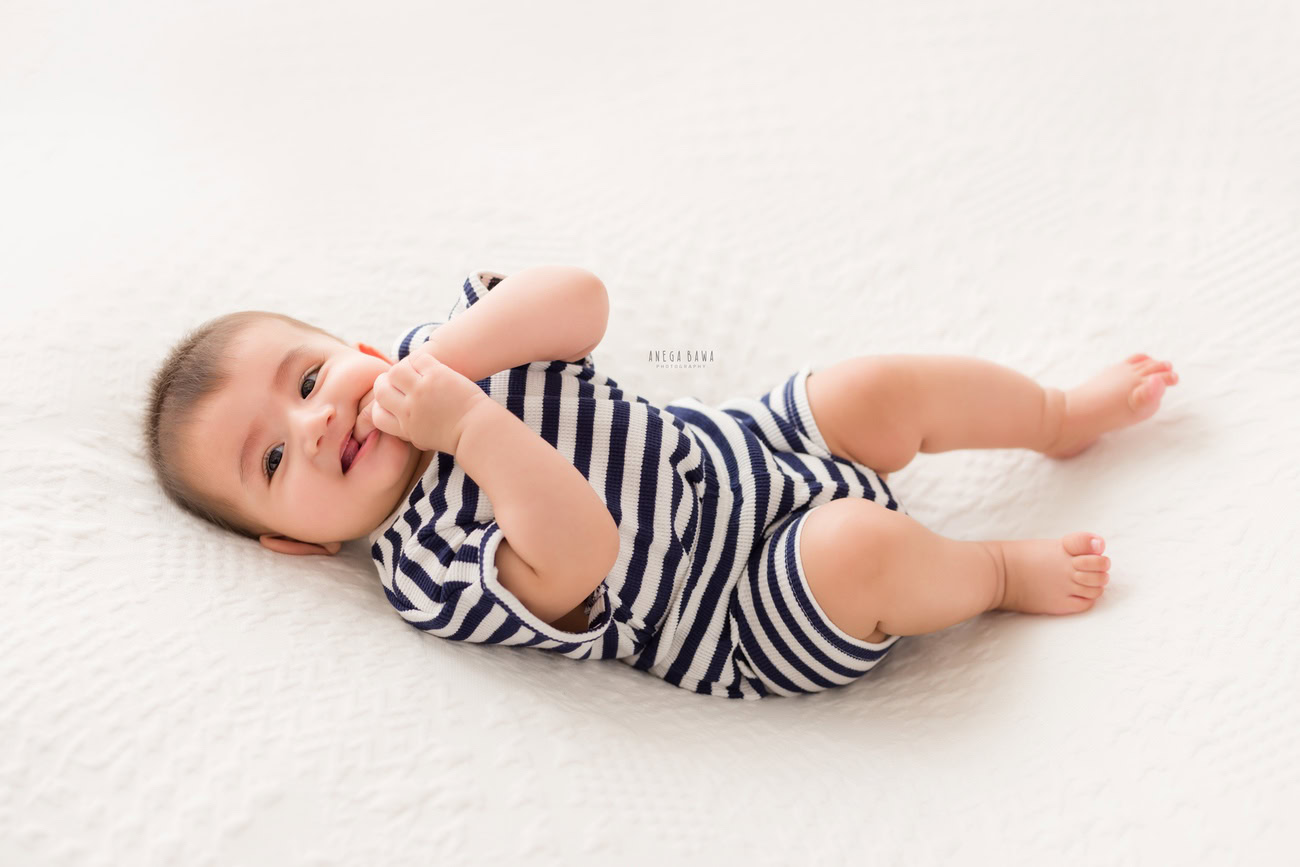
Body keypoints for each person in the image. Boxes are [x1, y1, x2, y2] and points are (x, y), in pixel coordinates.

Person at [143, 265, 1179, 700]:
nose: (316, 423)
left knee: (871, 388)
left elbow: (580, 302)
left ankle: (1055, 416)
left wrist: (447, 367)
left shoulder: (444, 353)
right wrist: (466, 428)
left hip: (746, 447)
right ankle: (994, 572)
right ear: (298, 543)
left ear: (362, 349)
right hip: (743, 603)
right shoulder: (425, 571)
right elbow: (582, 549)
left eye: (309, 379)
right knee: (862, 547)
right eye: (271, 460)